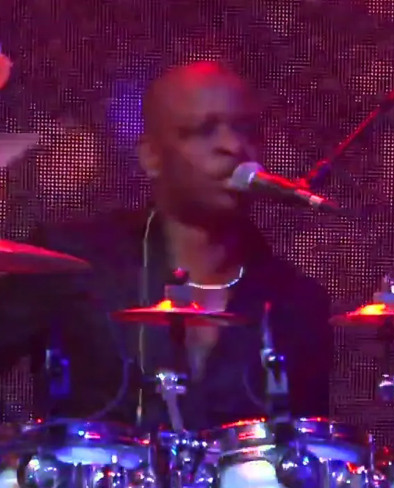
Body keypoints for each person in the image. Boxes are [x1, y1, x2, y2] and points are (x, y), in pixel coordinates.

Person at [0, 61, 332, 431]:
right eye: (202, 131)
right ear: (151, 157)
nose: (234, 147)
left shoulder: (297, 301)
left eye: (246, 130)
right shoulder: (73, 261)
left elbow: (309, 448)